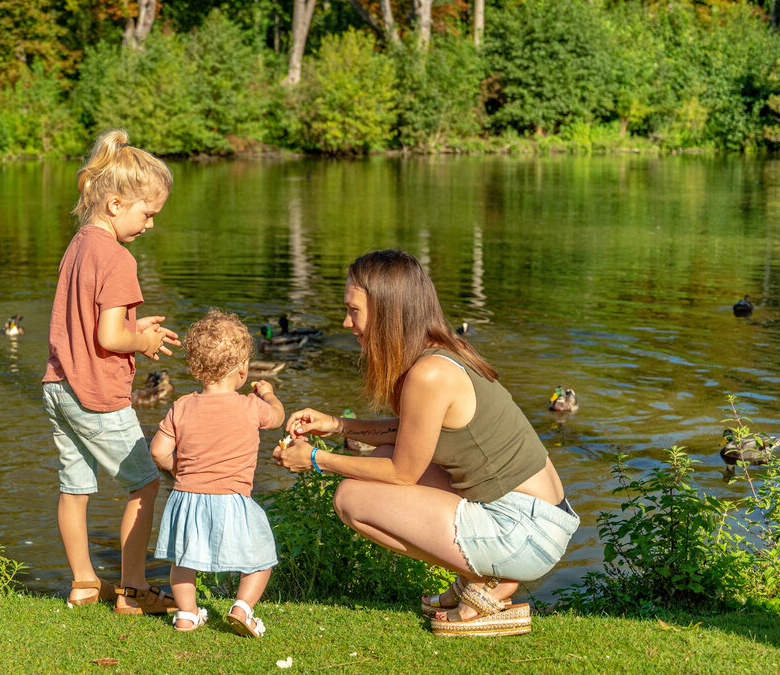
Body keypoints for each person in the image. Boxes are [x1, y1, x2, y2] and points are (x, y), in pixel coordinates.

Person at [274, 249, 579, 637]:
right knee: (381, 458)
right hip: (540, 516)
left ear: (387, 312)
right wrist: (337, 425)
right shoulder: (444, 352)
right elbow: (410, 434)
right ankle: (485, 577)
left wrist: (316, 459)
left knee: (351, 499)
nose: (345, 322)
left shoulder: (429, 373)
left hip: (525, 531)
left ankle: (485, 580)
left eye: (354, 311)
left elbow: (403, 473)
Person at [42, 129, 182, 614]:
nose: (148, 226)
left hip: (59, 385)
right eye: (147, 215)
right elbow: (108, 338)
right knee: (144, 484)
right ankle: (133, 587)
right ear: (117, 203)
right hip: (96, 392)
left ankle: (83, 581)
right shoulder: (119, 258)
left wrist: (129, 323)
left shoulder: (79, 244)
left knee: (74, 487)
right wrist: (138, 338)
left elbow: (85, 317)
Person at [150, 309, 285, 636]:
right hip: (232, 499)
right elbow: (278, 417)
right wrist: (267, 394)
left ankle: (186, 614)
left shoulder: (181, 405)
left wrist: (181, 468)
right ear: (242, 369)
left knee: (184, 560)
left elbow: (157, 451)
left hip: (187, 498)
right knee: (261, 558)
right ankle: (242, 607)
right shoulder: (251, 407)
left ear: (196, 368)